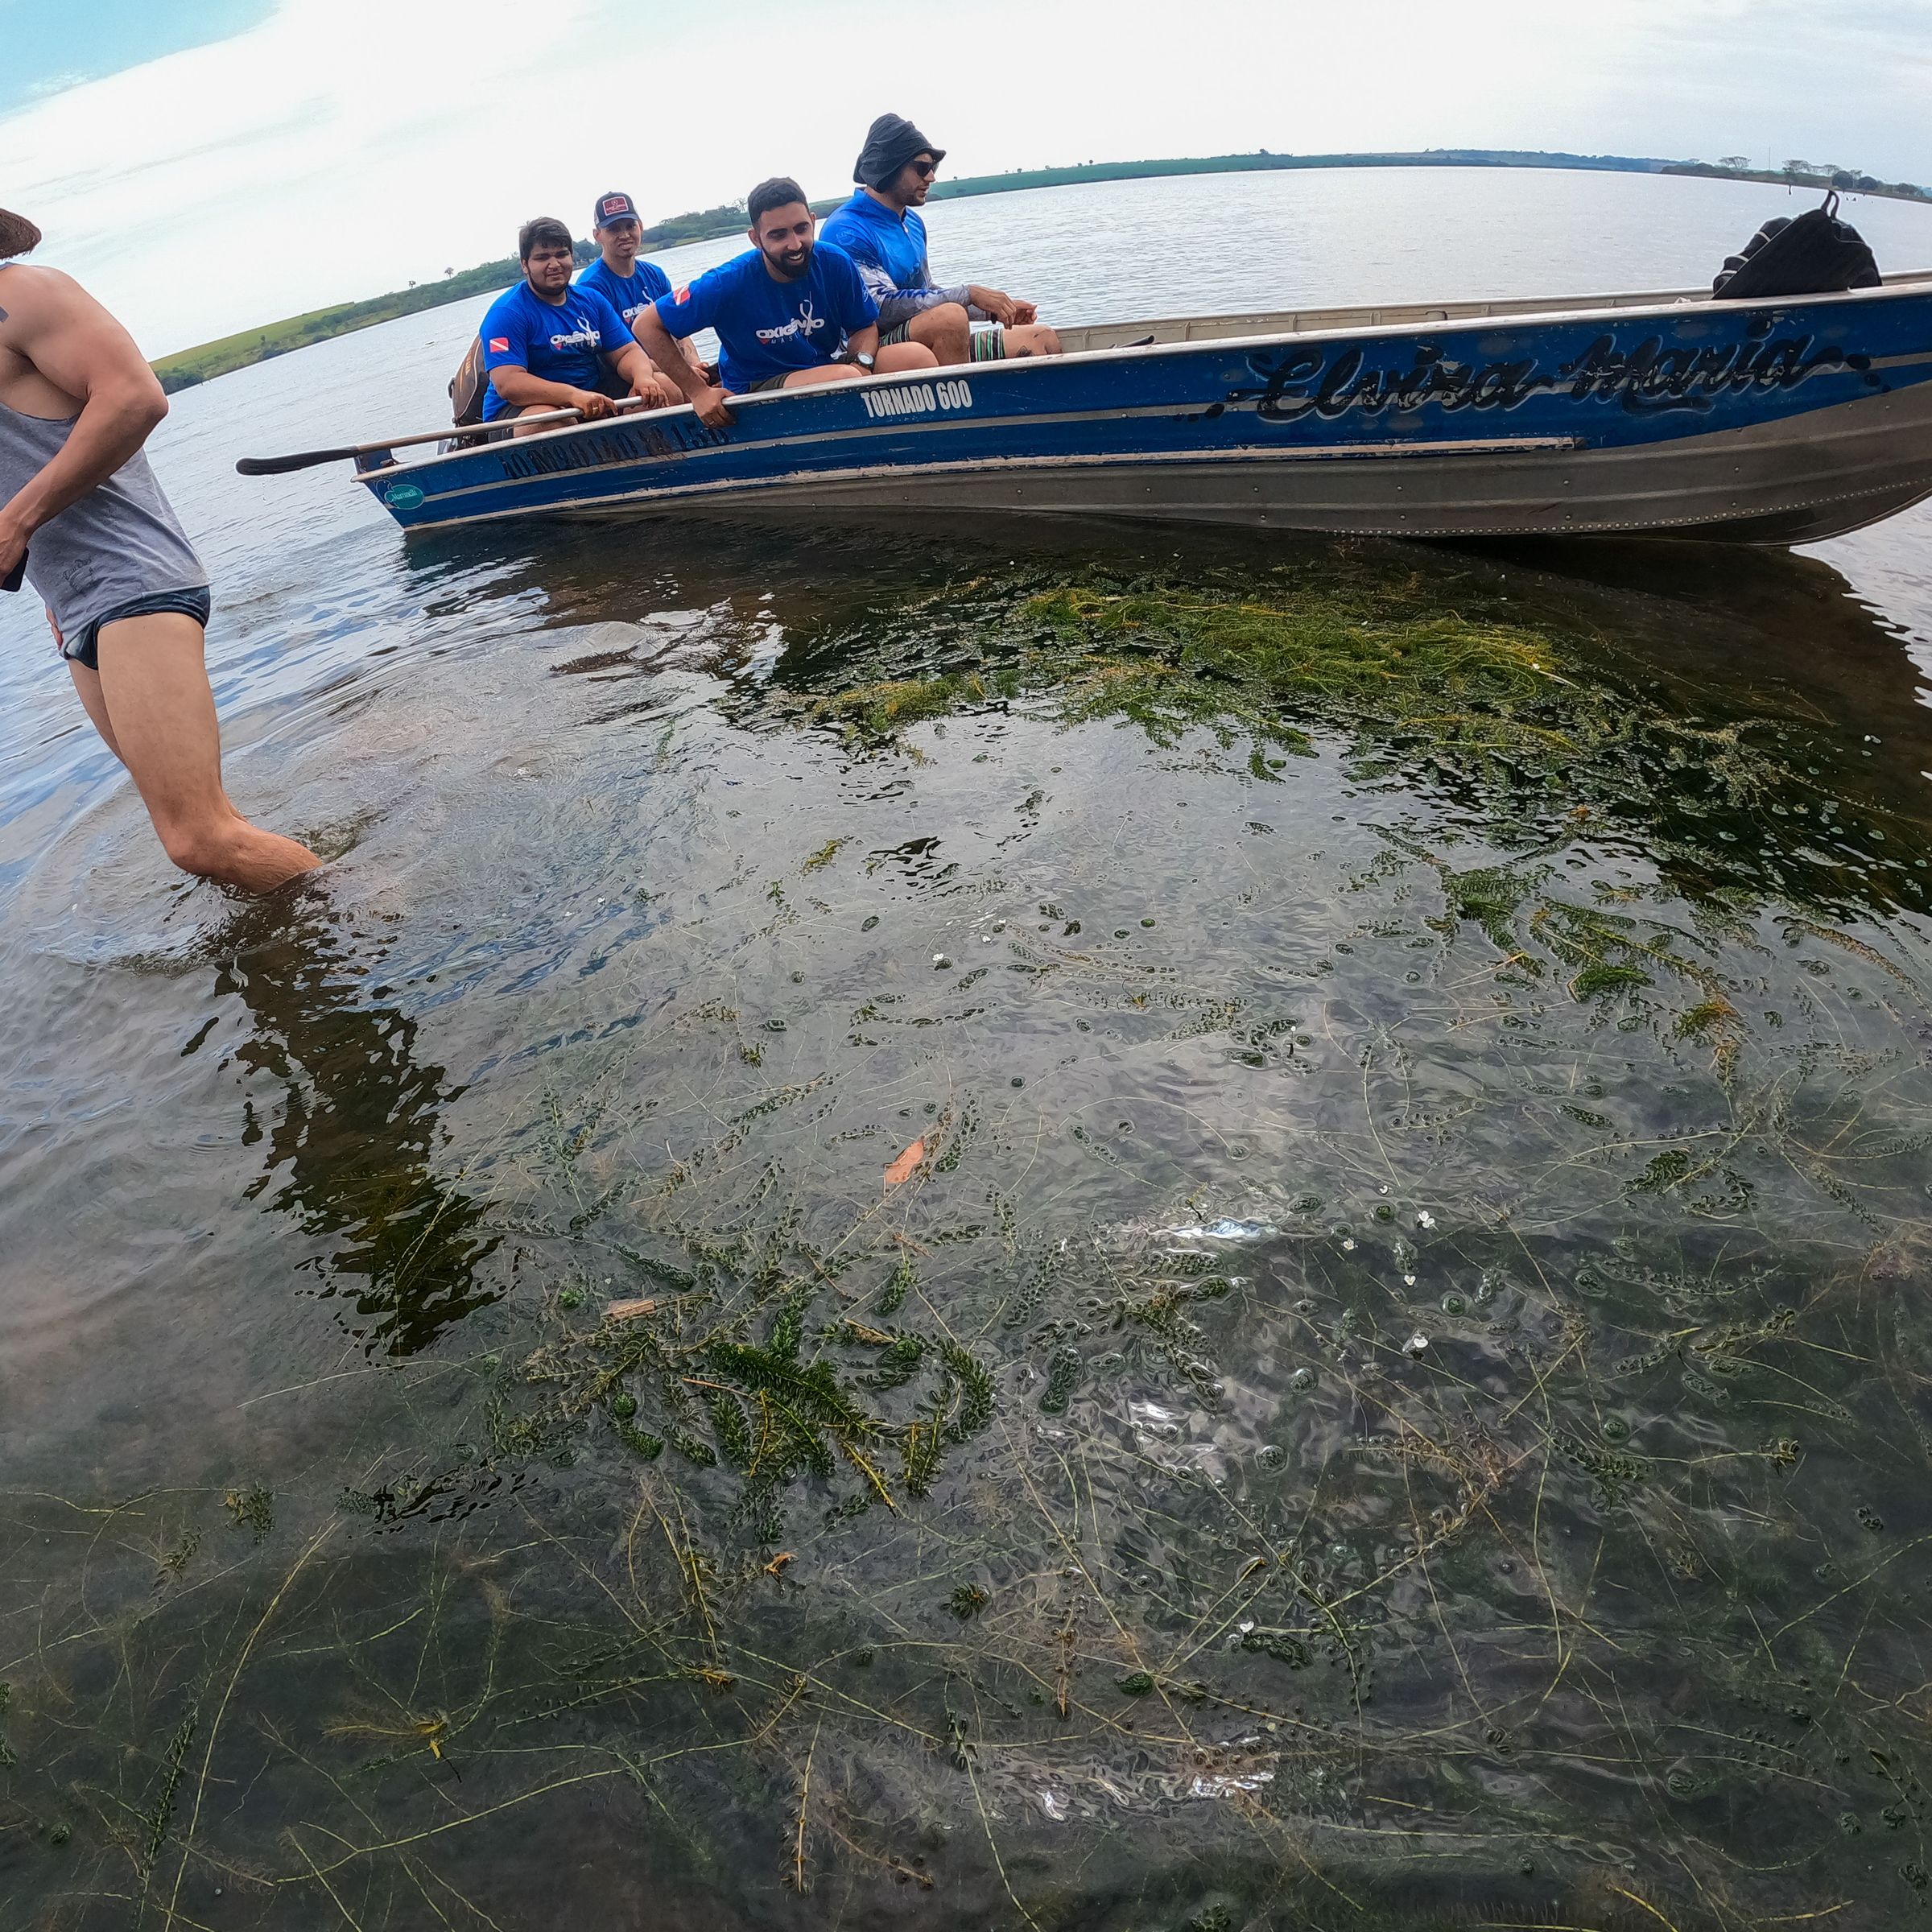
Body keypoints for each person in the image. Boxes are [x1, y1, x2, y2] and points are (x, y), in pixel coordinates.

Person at [0, 207, 320, 894]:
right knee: (211, 827)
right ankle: (296, 934)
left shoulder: (22, 294)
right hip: (75, 609)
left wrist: (19, 522)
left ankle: (379, 905)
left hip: (133, 581)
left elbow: (134, 396)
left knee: (196, 841)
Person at [634, 177, 938, 431]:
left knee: (916, 358)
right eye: (778, 235)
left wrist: (862, 361)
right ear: (756, 238)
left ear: (813, 223)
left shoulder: (835, 262)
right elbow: (647, 325)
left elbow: (864, 326)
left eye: (801, 229)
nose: (794, 245)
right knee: (844, 379)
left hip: (824, 368)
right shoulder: (727, 282)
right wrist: (698, 392)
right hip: (757, 385)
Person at [820, 114, 1062, 369]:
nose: (931, 178)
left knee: (1040, 338)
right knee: (950, 318)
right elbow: (880, 308)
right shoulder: (846, 229)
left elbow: (923, 294)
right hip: (868, 351)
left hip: (920, 334)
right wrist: (968, 294)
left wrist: (992, 309)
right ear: (889, 167)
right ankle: (966, 406)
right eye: (922, 168)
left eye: (934, 168)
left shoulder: (911, 221)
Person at [478, 217, 679, 432]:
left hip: (590, 395)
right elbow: (508, 384)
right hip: (523, 410)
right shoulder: (506, 313)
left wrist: (643, 377)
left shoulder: (591, 300)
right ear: (525, 265)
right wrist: (572, 396)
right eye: (542, 258)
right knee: (553, 422)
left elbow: (627, 352)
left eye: (562, 255)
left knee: (665, 387)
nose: (554, 265)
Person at [574, 190, 705, 390]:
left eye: (630, 226)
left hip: (667, 366)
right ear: (597, 235)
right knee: (670, 387)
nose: (624, 235)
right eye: (613, 229)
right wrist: (679, 372)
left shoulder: (655, 274)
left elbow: (678, 328)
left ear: (641, 226)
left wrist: (695, 363)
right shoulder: (591, 287)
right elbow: (611, 356)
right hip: (623, 376)